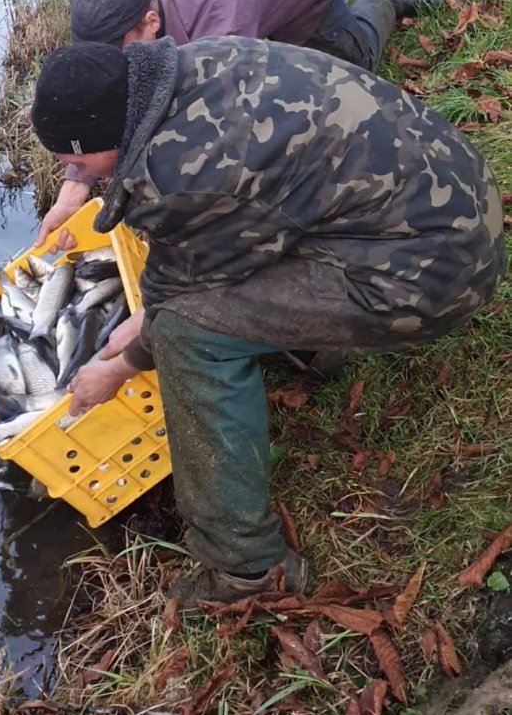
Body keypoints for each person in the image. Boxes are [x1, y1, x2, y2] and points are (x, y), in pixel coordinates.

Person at [30, 34, 505, 606]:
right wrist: (80, 186)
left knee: (186, 333)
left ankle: (244, 569)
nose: (77, 175)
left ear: (110, 135)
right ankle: (309, 346)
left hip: (434, 278)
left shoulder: (180, 172)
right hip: (457, 198)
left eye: (78, 164)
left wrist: (122, 365)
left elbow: (186, 295)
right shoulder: (192, 64)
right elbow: (214, 240)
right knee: (185, 304)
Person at [36, 0, 443, 248]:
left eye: (118, 53)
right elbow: (101, 100)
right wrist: (75, 190)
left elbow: (219, 134)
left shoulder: (219, 22)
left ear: (150, 23)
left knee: (351, 63)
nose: (112, 66)